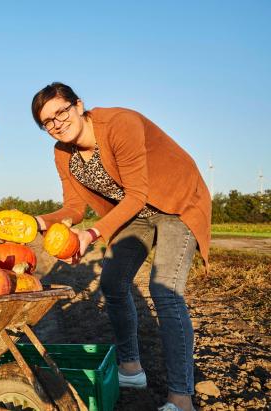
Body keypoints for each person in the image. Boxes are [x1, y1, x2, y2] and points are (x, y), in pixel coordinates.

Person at [31, 83, 210, 411]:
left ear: (78, 105)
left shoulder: (118, 124)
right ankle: (131, 369)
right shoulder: (62, 152)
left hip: (177, 203)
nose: (57, 123)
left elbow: (137, 193)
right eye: (48, 122)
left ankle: (181, 398)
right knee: (113, 283)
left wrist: (91, 235)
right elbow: (74, 209)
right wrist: (36, 223)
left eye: (62, 112)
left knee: (165, 292)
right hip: (137, 214)